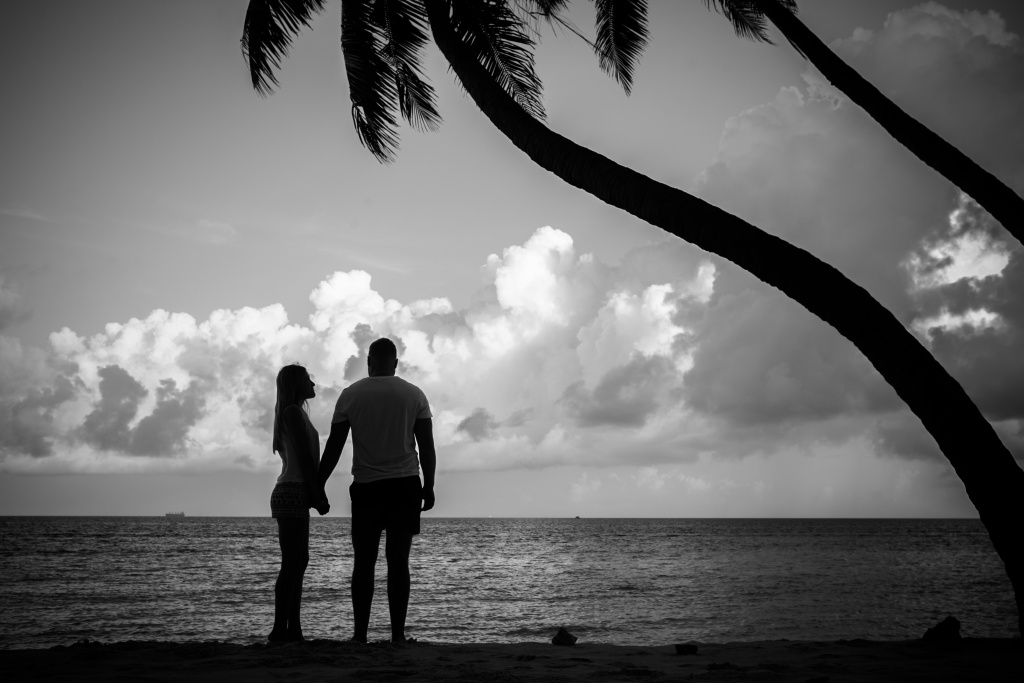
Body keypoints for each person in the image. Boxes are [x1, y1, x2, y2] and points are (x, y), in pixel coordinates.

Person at [319, 338, 436, 644]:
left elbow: (334, 446)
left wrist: (318, 483)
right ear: (395, 363)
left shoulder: (351, 395)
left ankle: (360, 635)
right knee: (398, 562)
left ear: (369, 362)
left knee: (364, 562)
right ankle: (397, 635)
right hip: (405, 484)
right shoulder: (414, 394)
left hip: (367, 486)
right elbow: (426, 446)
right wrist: (429, 485)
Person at [268, 363, 330, 643]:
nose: (313, 384)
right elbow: (305, 459)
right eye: (308, 379)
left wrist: (314, 492)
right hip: (292, 490)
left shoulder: (295, 413)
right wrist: (317, 495)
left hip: (296, 490)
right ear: (296, 384)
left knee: (298, 561)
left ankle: (293, 629)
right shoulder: (292, 412)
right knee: (292, 563)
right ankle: (280, 629)